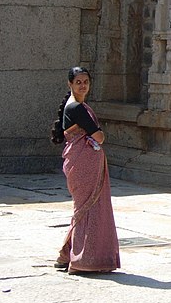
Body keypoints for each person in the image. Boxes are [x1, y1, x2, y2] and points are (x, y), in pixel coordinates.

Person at [50, 66, 120, 274]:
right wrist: (97, 136)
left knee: (86, 209)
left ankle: (65, 256)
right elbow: (99, 136)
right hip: (82, 164)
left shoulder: (79, 106)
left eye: (86, 82)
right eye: (78, 82)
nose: (82, 85)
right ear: (69, 84)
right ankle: (83, 259)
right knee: (86, 210)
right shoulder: (76, 109)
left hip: (85, 161)